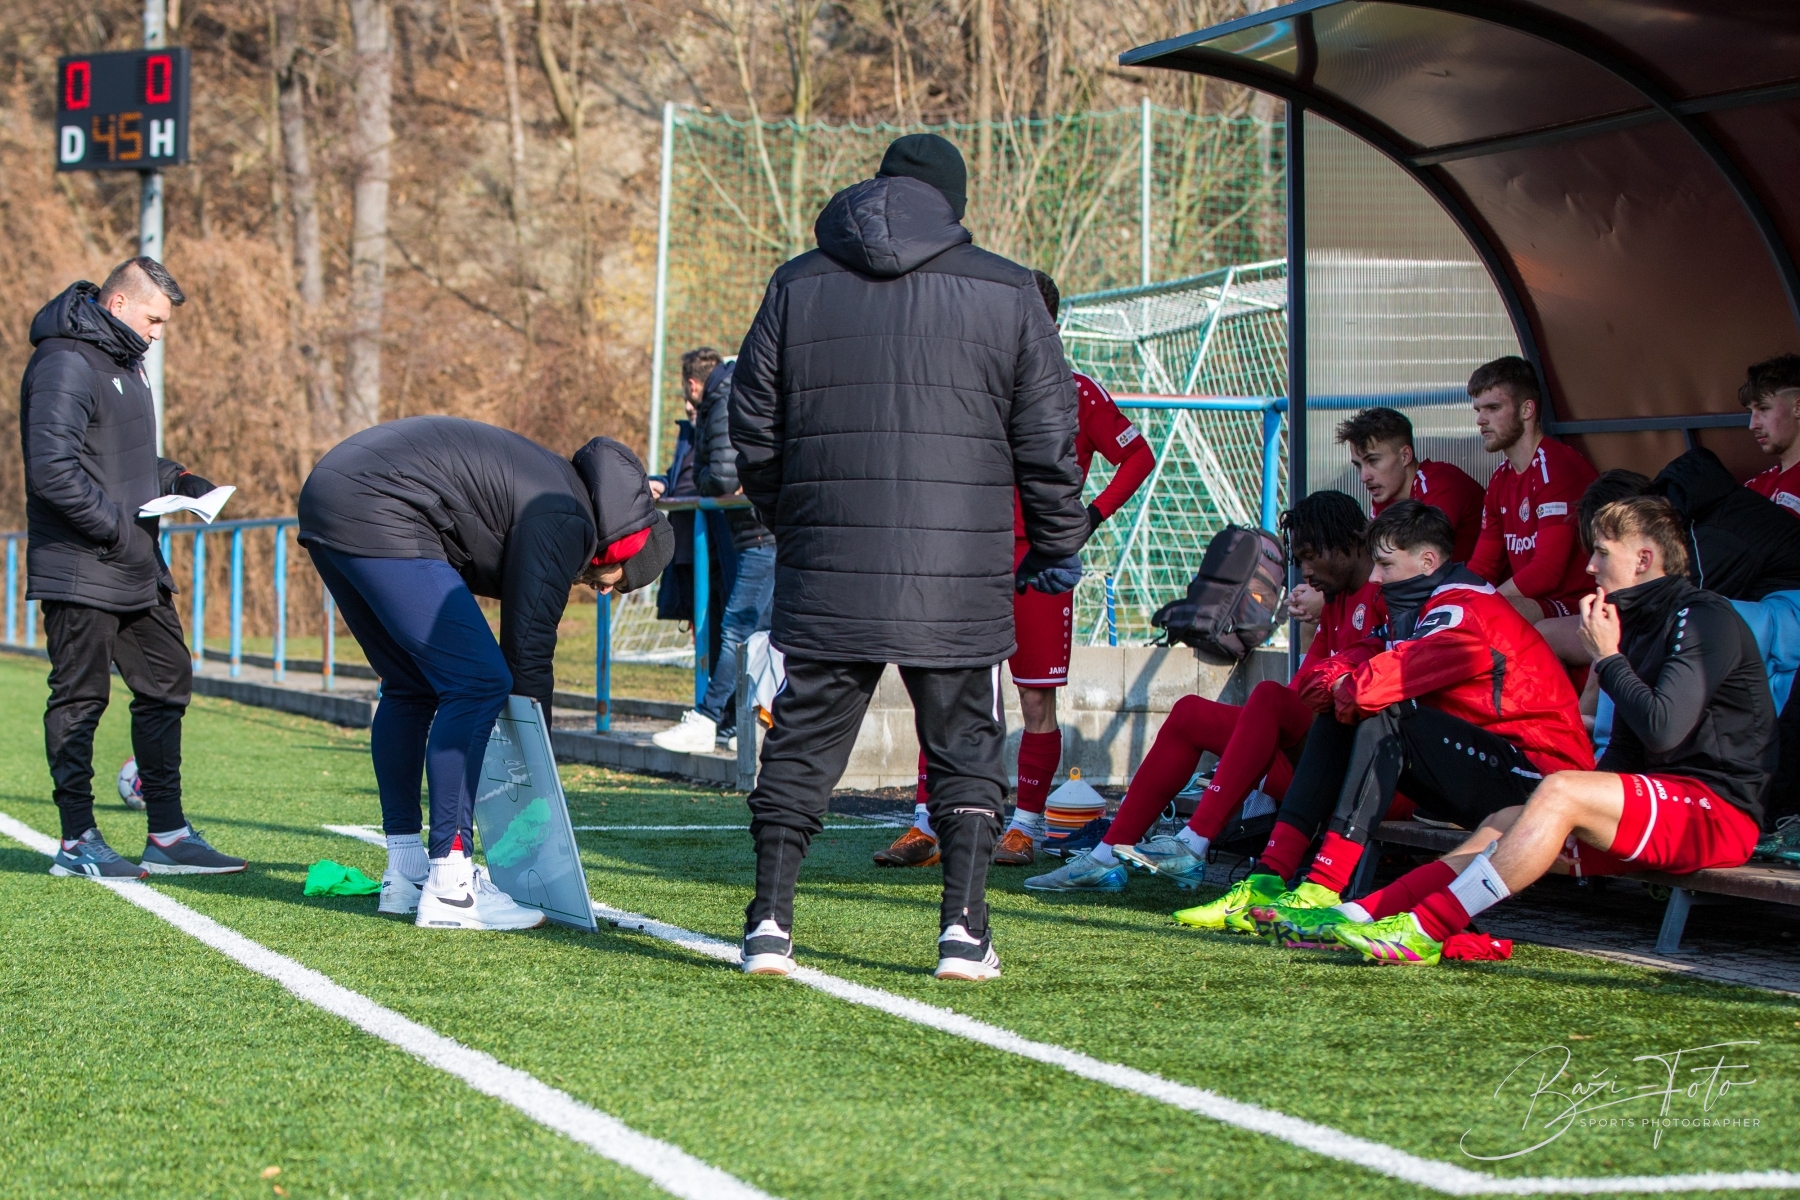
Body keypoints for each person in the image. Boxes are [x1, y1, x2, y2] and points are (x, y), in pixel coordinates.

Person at [730, 132, 1089, 981]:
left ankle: (768, 924)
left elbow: (752, 424)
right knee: (965, 743)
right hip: (959, 564)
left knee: (803, 739)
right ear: (954, 203)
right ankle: (963, 931)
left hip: (830, 554)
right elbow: (1050, 440)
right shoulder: (1007, 288)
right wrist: (1054, 544)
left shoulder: (798, 283)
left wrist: (797, 520)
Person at [1332, 495, 1775, 965]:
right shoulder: (1638, 624)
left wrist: (1608, 658)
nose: (1590, 567)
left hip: (1717, 814)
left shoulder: (1704, 616)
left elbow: (1663, 729)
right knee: (1509, 817)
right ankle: (1362, 913)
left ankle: (1426, 928)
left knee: (1560, 790)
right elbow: (1627, 749)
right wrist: (1574, 810)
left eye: (1602, 552)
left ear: (1644, 559)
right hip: (1663, 804)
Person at [298, 417, 674, 930]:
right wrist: (536, 763)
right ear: (623, 550)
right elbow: (528, 651)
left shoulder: (558, 489)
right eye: (621, 581)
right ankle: (451, 886)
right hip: (382, 503)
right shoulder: (569, 518)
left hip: (332, 492)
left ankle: (406, 873)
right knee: (478, 681)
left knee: (410, 684)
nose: (605, 590)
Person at [1186, 501, 1591, 935]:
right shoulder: (1420, 606)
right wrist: (1344, 686)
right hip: (1483, 766)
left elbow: (1369, 689)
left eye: (1385, 564)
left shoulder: (1463, 611)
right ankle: (1268, 877)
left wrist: (1347, 686)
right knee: (1340, 712)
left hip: (1540, 783)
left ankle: (1322, 885)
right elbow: (1322, 681)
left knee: (1387, 713)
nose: (1375, 578)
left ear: (1427, 561)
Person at [876, 269, 1154, 869]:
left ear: (1048, 323)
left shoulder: (1078, 393)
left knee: (1034, 701)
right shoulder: (974, 385)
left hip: (1040, 565)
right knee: (949, 692)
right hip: (969, 560)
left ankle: (1024, 826)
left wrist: (1091, 517)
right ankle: (927, 823)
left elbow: (1138, 456)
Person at [1020, 490, 1383, 893]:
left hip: (1367, 771)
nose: (1306, 572)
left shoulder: (1386, 593)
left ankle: (1193, 844)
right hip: (1314, 759)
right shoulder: (1336, 598)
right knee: (1190, 712)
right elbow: (1303, 691)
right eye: (1300, 560)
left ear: (1348, 541)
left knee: (1269, 696)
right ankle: (1105, 856)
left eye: (1312, 556)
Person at [23, 258, 247, 880]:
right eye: (154, 319)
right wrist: (118, 529)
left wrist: (178, 478)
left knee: (167, 680)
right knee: (80, 697)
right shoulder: (64, 360)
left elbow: (120, 461)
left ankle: (168, 836)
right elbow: (53, 471)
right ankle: (77, 841)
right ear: (118, 304)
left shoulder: (125, 362)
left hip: (132, 565)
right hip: (82, 564)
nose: (158, 331)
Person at [653, 356, 778, 753]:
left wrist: (709, 481)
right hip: (755, 531)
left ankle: (709, 719)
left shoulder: (724, 397)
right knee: (757, 629)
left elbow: (720, 478)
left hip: (760, 532)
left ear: (693, 384)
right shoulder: (733, 395)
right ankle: (744, 721)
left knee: (739, 627)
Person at [1465, 356, 1598, 622]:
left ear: (1527, 410)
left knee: (1495, 614)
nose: (1480, 420)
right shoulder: (1500, 479)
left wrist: (1480, 604)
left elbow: (1547, 571)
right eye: (1478, 410)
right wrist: (1454, 598)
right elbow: (1483, 566)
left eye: (1493, 408)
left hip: (1579, 605)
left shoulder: (1556, 468)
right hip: (1536, 604)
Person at [1336, 406, 1483, 563]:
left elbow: (1418, 562)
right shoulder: (1385, 494)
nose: (1364, 477)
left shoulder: (1440, 484)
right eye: (1358, 465)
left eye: (1373, 461)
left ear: (1405, 456)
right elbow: (1375, 558)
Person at [1741, 353, 1800, 515]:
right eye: (1750, 412)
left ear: (1798, 407)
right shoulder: (1753, 488)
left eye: (1764, 408)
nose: (1752, 425)